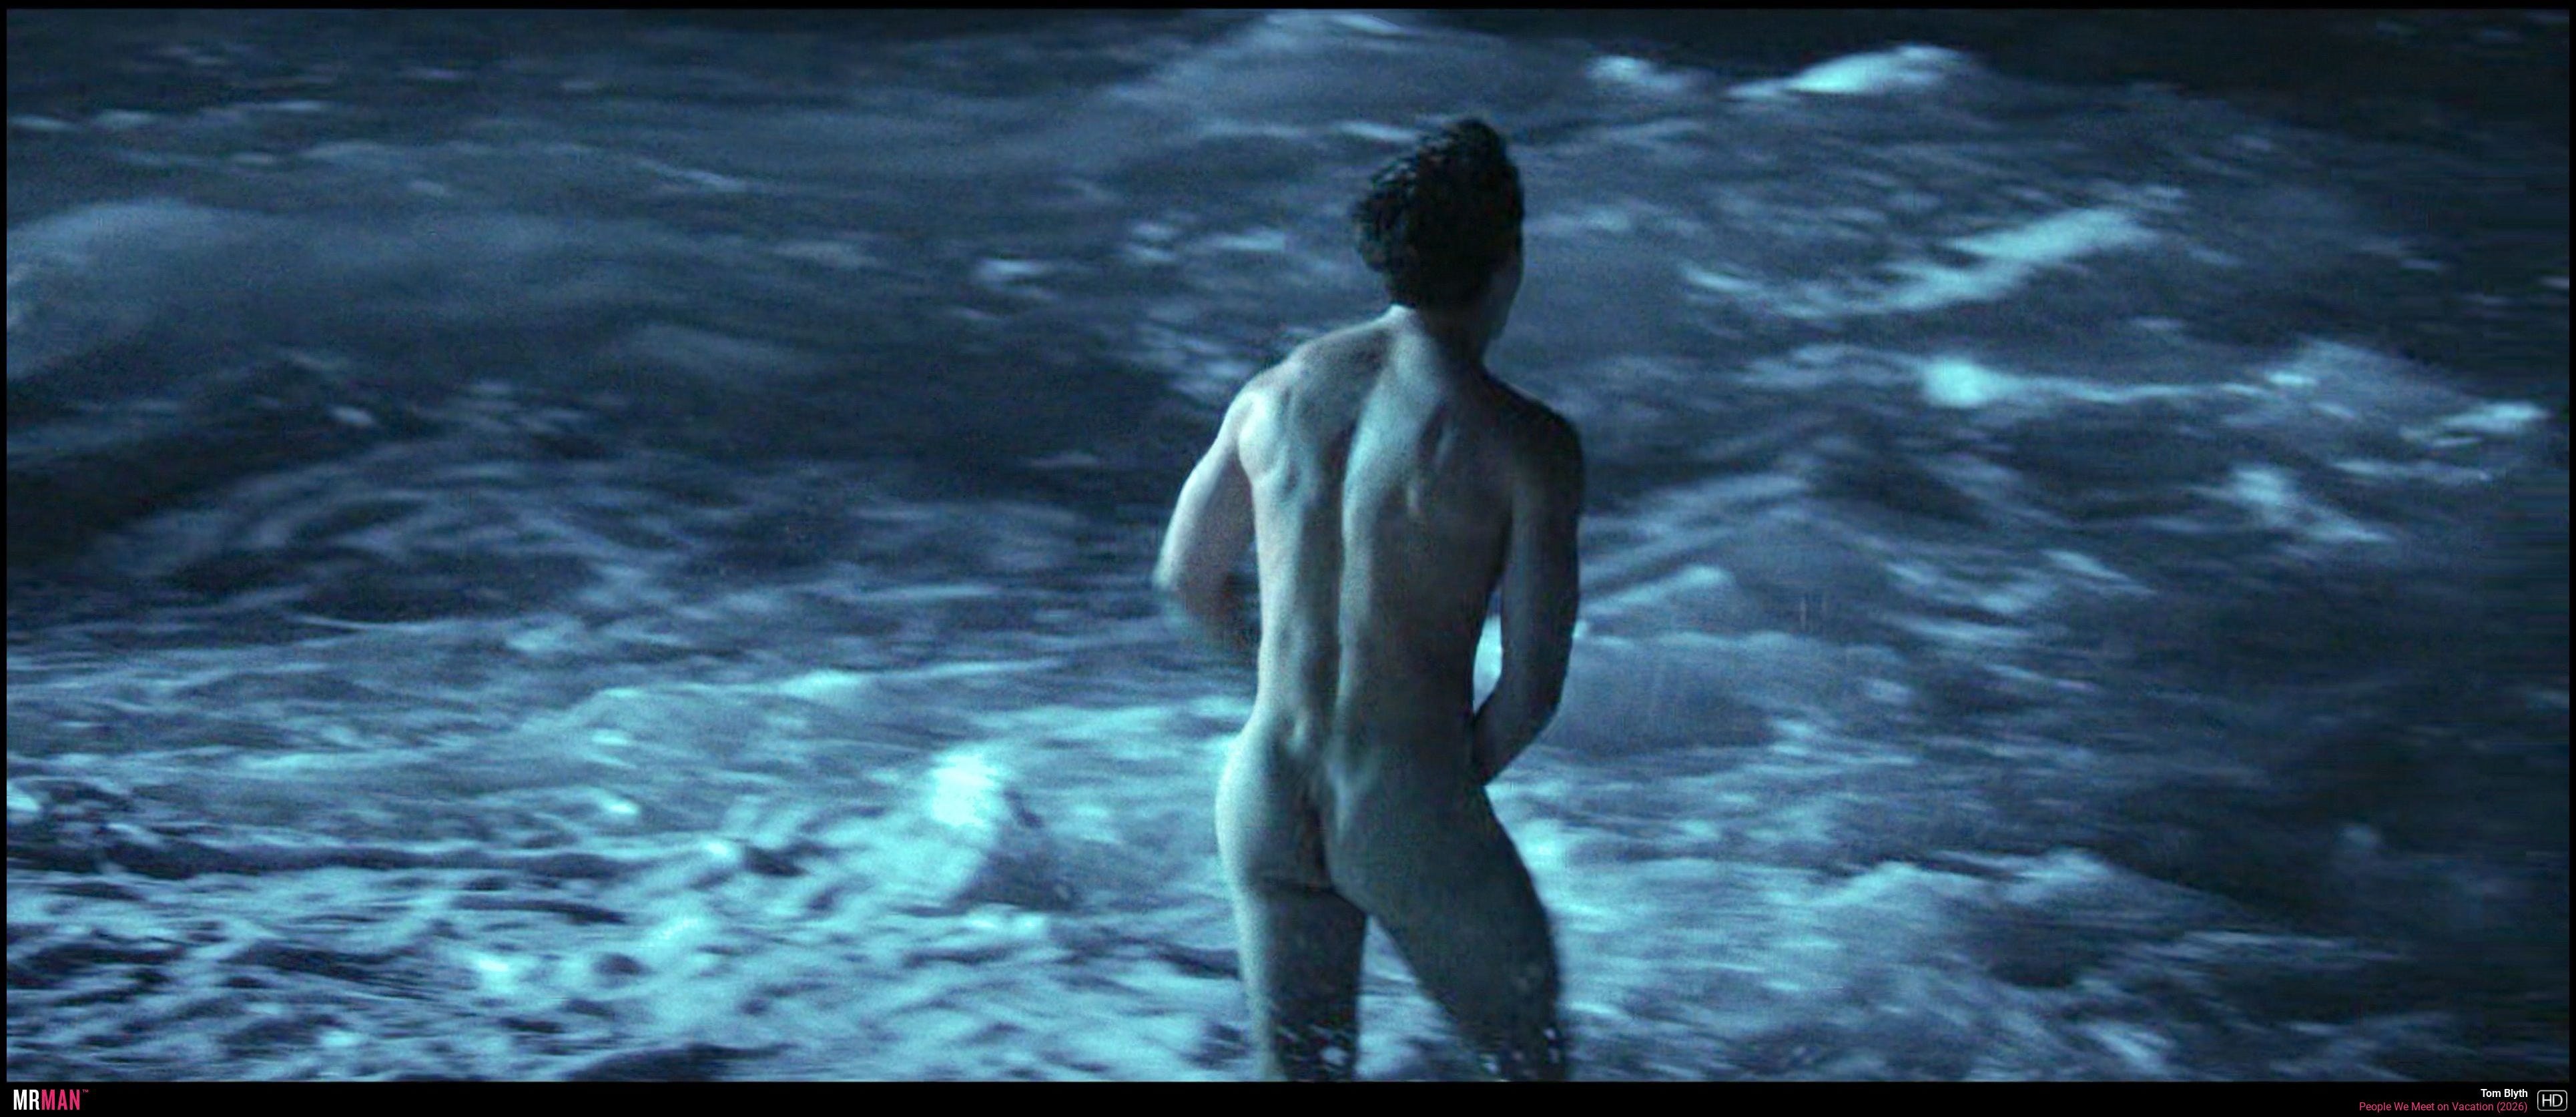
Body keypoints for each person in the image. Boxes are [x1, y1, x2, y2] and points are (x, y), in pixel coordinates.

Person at [1153, 118, 1583, 1082]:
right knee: (1533, 1062)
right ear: (1507, 264)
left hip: (1267, 785)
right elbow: (1532, 689)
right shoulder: (1525, 444)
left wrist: (1280, 696)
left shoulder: (1275, 394)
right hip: (1405, 795)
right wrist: (1431, 792)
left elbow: (1186, 577)